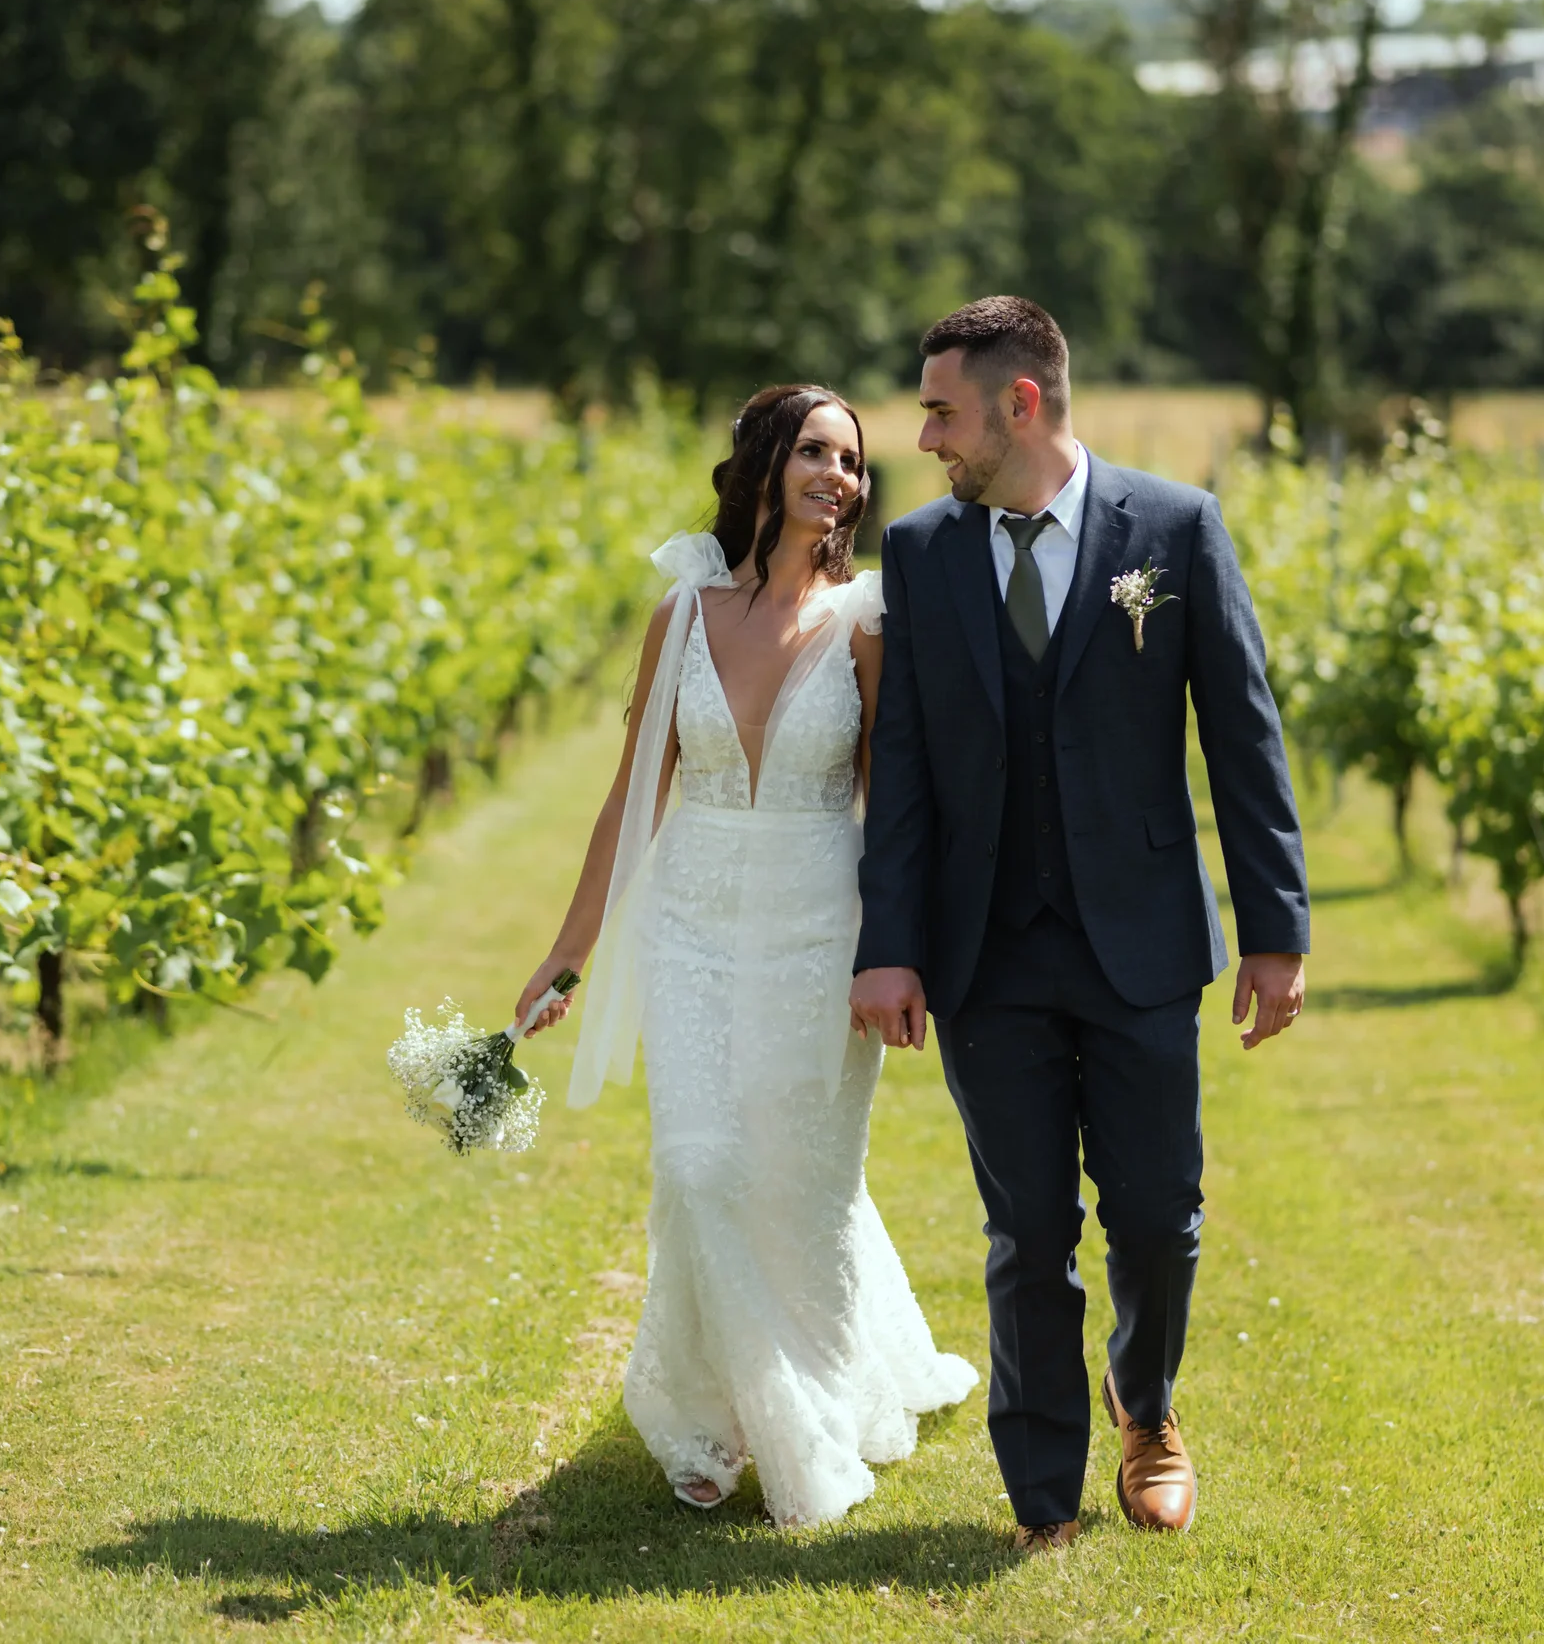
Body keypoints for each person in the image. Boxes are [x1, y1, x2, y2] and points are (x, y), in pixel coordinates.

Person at [849, 297, 1311, 1550]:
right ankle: (1042, 1486)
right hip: (984, 948)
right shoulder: (922, 551)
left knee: (1160, 1212)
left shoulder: (1171, 528)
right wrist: (885, 942)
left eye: (942, 408)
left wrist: (1276, 928)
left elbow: (1242, 732)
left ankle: (1146, 1407)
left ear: (1022, 403)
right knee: (1027, 1230)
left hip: (1141, 935)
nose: (925, 432)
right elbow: (903, 770)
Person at [515, 385, 975, 1529]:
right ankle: (715, 1421)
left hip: (821, 931)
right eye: (818, 449)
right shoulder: (680, 614)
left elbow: (893, 808)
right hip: (693, 930)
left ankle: (817, 1388)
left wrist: (899, 953)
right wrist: (565, 960)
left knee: (801, 1186)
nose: (840, 474)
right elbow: (631, 800)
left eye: (854, 460)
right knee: (702, 1167)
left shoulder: (868, 622)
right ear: (765, 463)